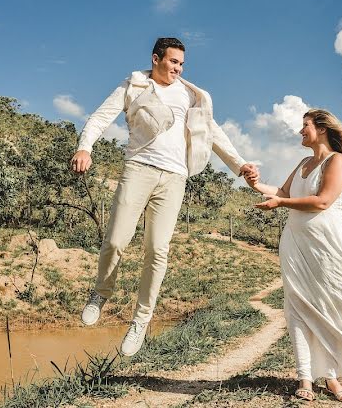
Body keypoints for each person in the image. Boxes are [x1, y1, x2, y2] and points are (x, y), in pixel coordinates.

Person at [70, 37, 258, 356]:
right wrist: (84, 146)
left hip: (174, 177)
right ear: (156, 59)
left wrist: (239, 165)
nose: (178, 69)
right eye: (173, 62)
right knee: (116, 239)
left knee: (157, 249)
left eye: (182, 64)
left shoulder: (189, 95)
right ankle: (101, 293)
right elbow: (101, 117)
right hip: (138, 168)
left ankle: (141, 320)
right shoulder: (134, 85)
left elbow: (211, 132)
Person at [247, 109, 342, 402]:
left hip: (329, 248)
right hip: (296, 243)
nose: (300, 132)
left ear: (322, 129)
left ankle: (334, 377)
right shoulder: (304, 162)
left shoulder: (337, 161)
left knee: (334, 307)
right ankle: (305, 375)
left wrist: (280, 203)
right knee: (299, 307)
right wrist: (255, 183)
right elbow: (280, 190)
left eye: (305, 126)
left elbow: (323, 200)